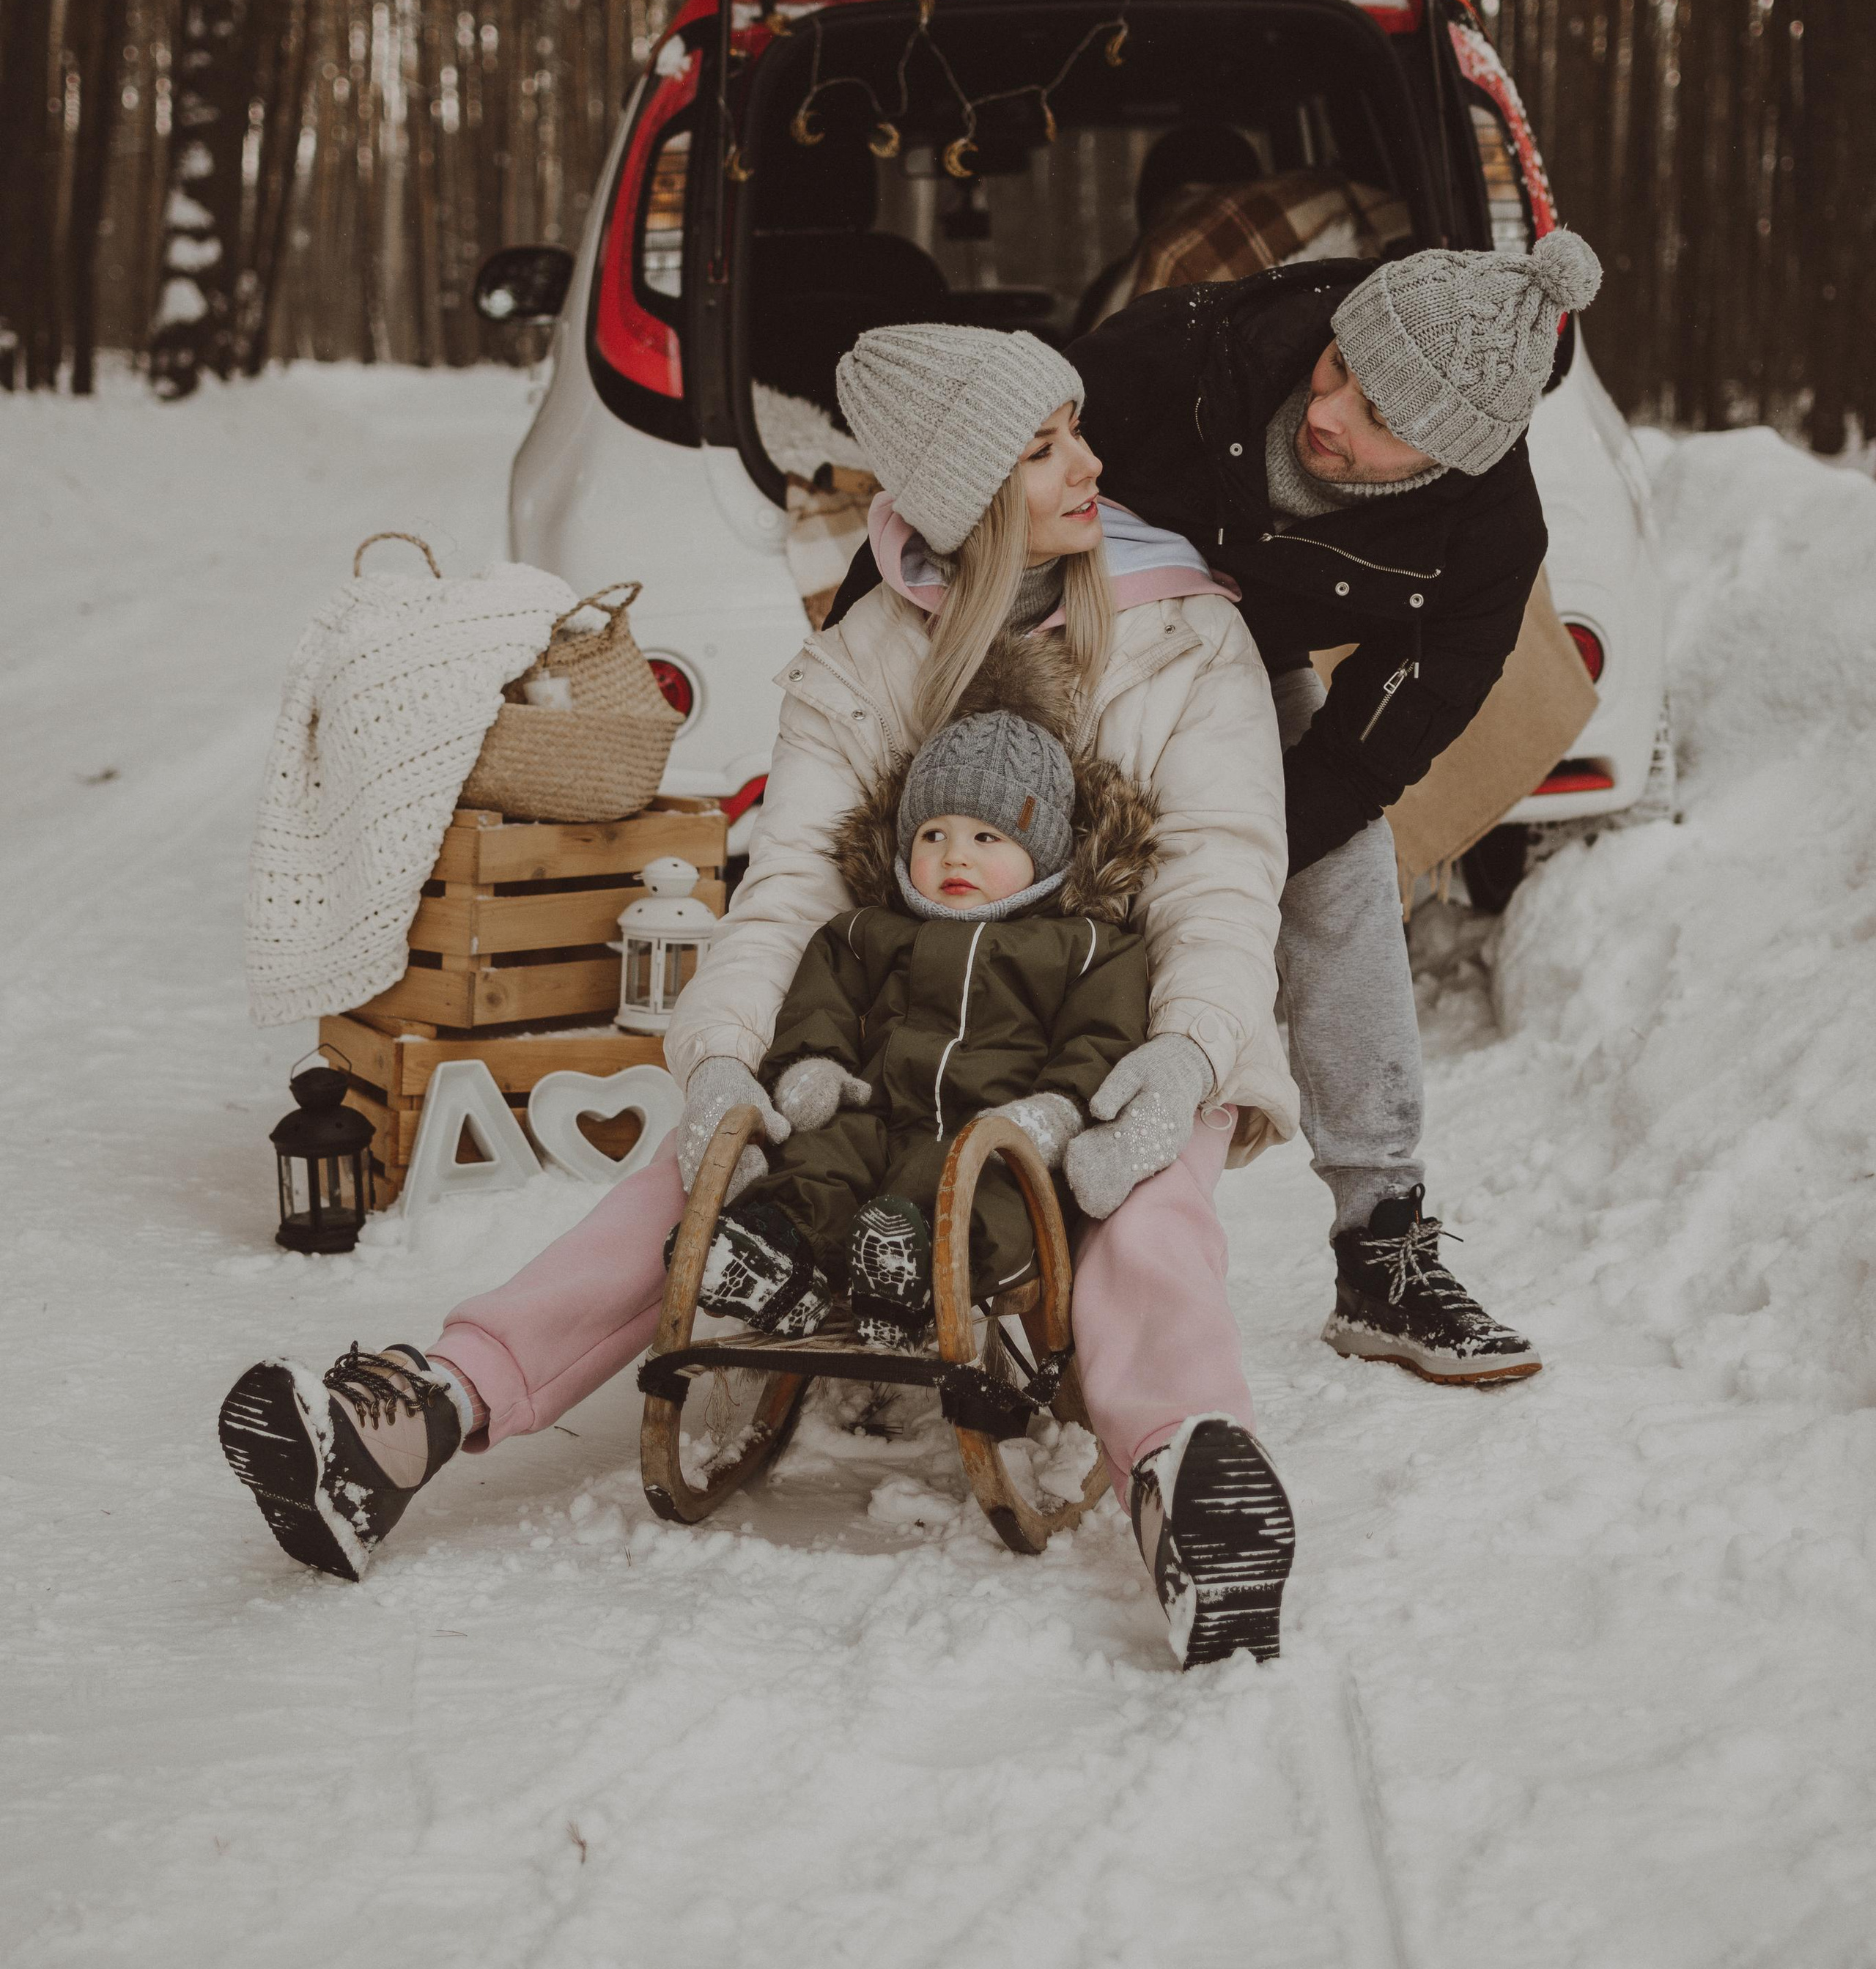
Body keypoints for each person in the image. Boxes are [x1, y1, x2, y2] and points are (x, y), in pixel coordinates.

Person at [220, 322, 1301, 1670]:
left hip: (1110, 1031)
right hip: (896, 1033)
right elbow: (789, 886)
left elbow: (1222, 874)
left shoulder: (1184, 634)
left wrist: (1188, 1051)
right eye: (1044, 450)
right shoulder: (864, 657)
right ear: (964, 495)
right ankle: (424, 1412)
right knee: (703, 1174)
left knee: (1143, 1211)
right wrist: (726, 1056)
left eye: (1074, 431)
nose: (1090, 465)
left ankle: (1192, 1483)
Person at [1069, 225, 1605, 1382]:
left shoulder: (1486, 543)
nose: (1329, 413)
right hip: (1062, 630)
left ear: (1450, 457)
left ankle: (1383, 1248)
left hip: (1235, 658)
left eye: (1380, 415)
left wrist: (1218, 864)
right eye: (1340, 367)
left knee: (1346, 867)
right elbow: (975, 479)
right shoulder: (1187, 350)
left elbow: (1358, 767)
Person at [689, 696, 1154, 1348]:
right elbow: (822, 1000)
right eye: (933, 835)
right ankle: (778, 1258)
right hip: (876, 1110)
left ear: (1044, 852)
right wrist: (813, 1063)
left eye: (986, 838)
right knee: (822, 1155)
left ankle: (919, 1278)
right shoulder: (867, 933)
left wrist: (1060, 1107)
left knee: (979, 1187)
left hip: (995, 1128)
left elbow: (1101, 1035)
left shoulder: (1084, 947)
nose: (954, 857)